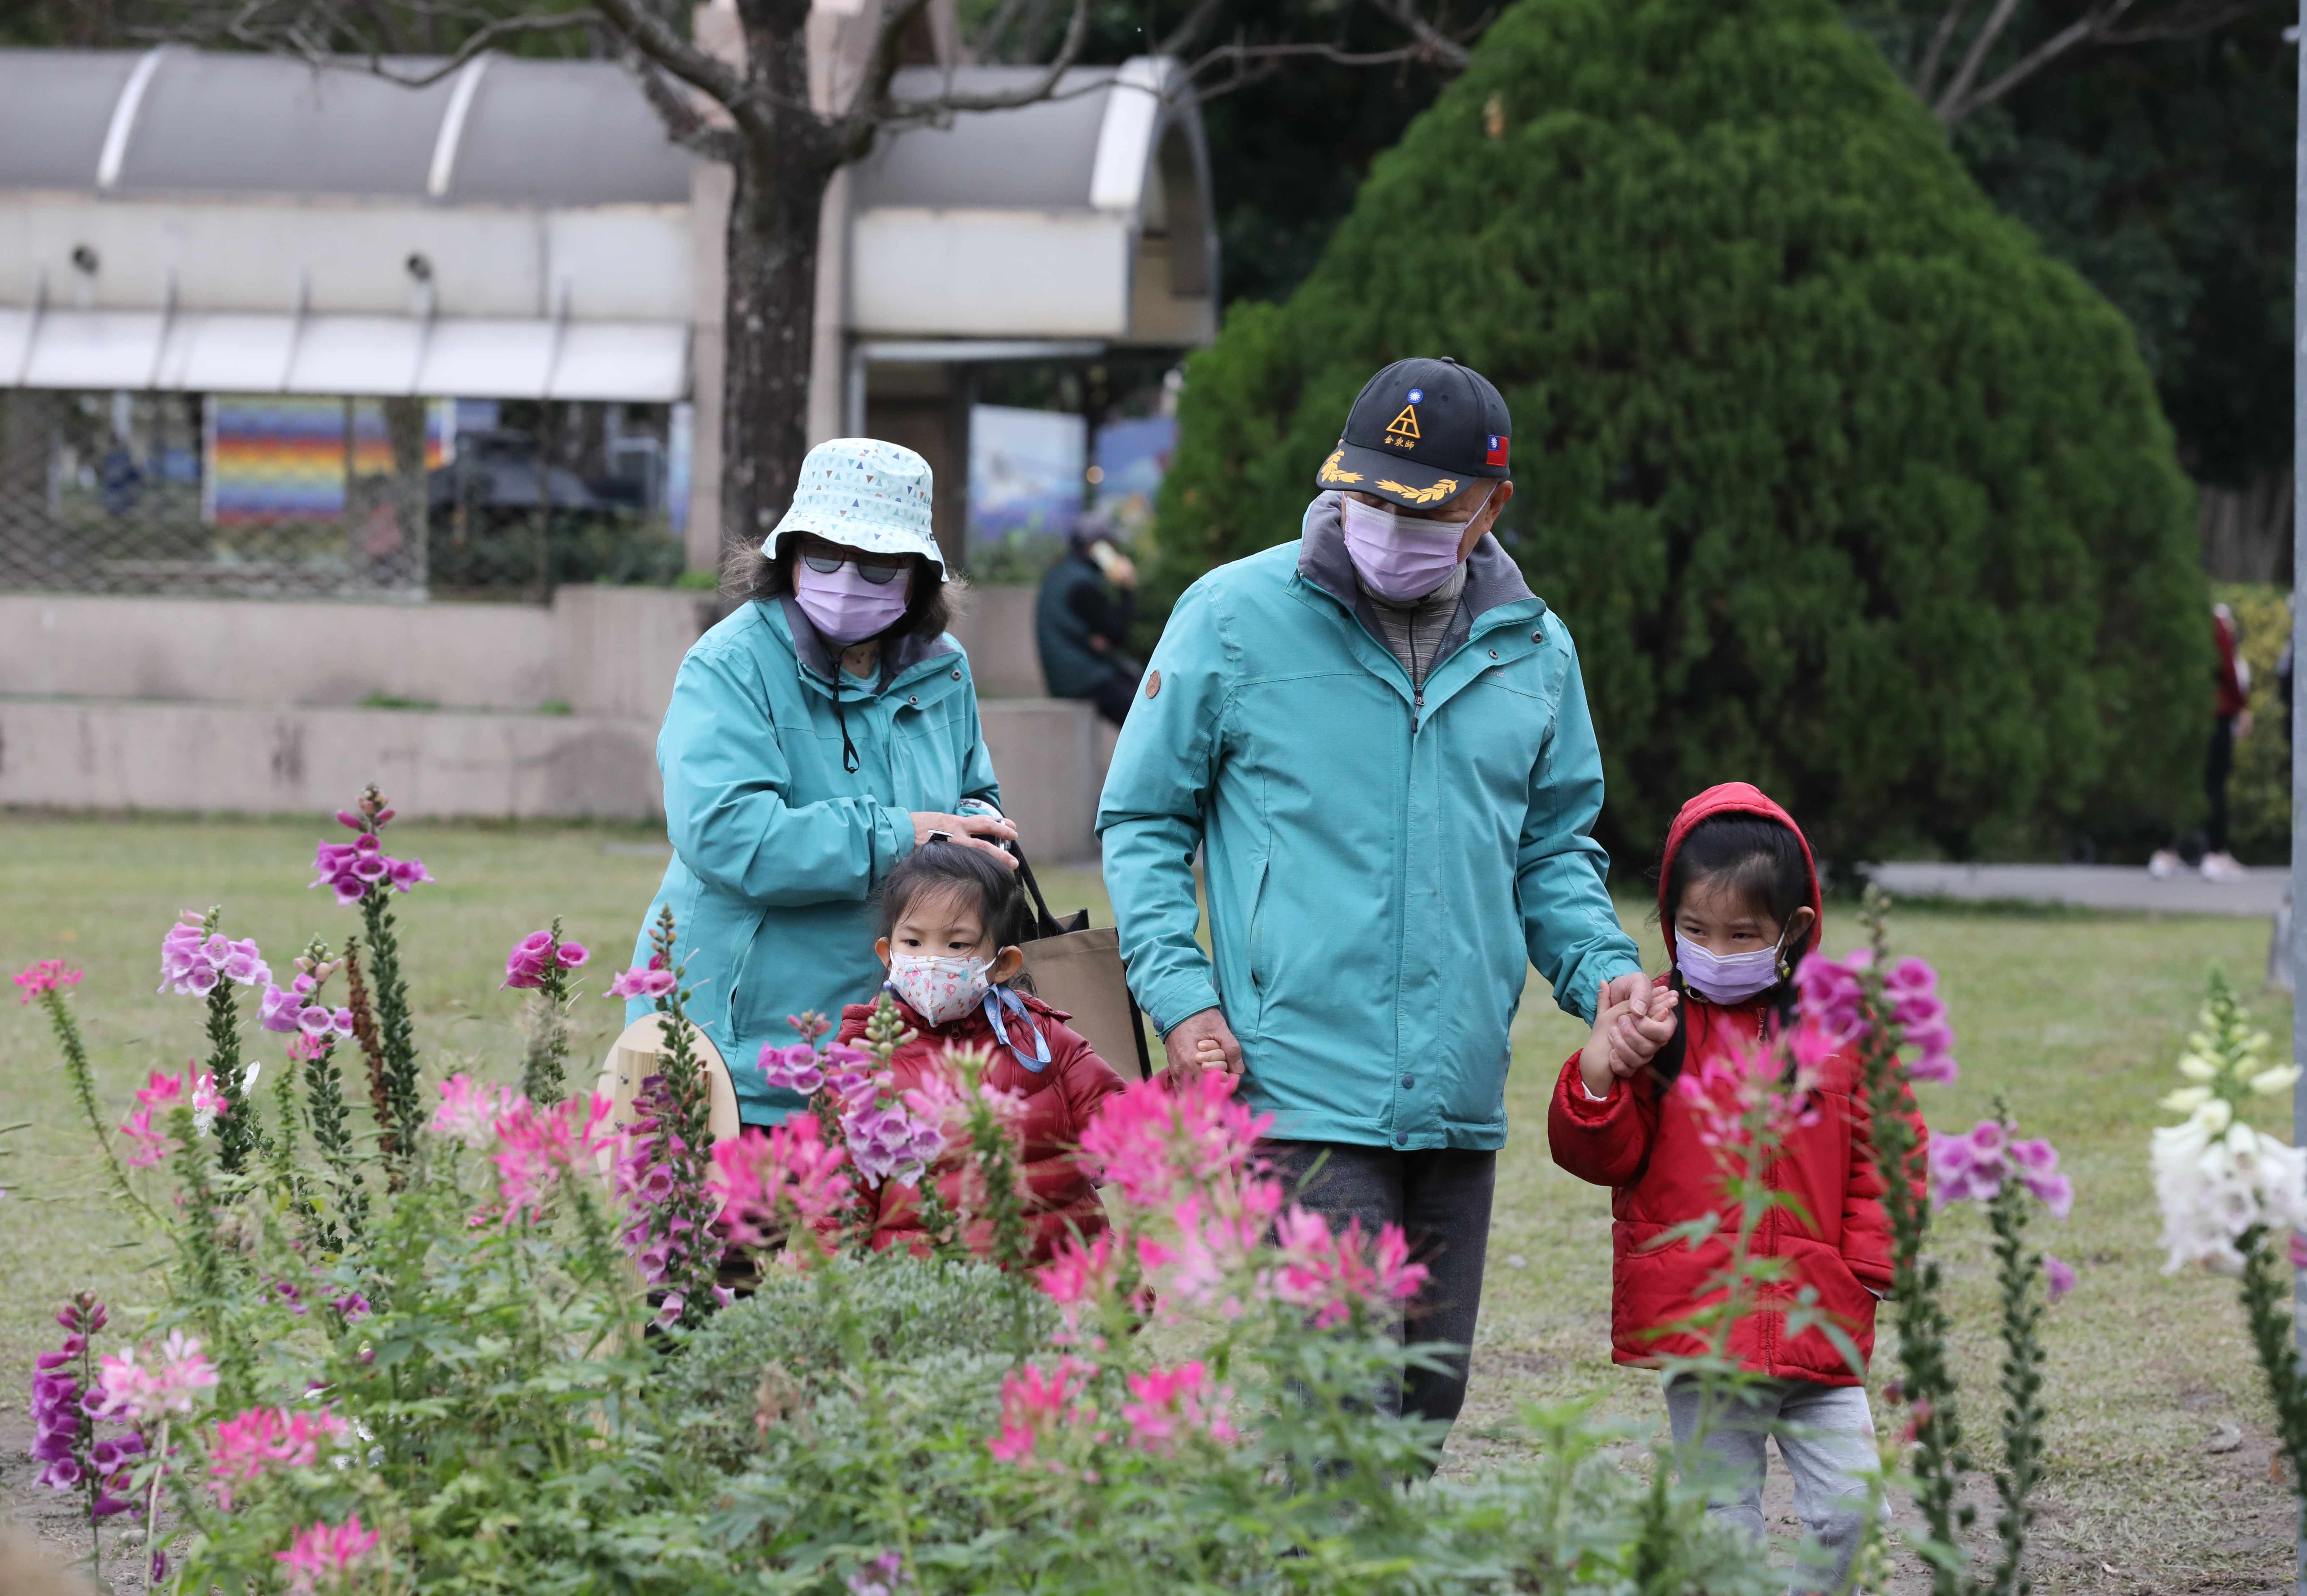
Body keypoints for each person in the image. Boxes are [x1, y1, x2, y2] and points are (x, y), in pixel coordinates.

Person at [1098, 355, 1667, 1438]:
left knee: (1421, 1398)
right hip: (1292, 1073)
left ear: (1491, 505)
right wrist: (1181, 995)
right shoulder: (1231, 616)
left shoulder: (1535, 651)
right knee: (1342, 1397)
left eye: (1424, 509)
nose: (1385, 526)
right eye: (1366, 497)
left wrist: (1602, 976)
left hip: (1453, 1087)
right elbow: (1142, 818)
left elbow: (1551, 849)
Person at [1547, 783, 1925, 1596]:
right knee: (1718, 1529)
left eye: (1743, 934)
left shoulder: (1842, 1027)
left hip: (1818, 1321)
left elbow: (1891, 1149)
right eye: (1694, 932)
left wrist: (1867, 1263)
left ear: (1796, 931)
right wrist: (1600, 1072)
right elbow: (1602, 1154)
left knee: (1854, 1515)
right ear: (1668, 921)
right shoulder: (1657, 1024)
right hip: (1703, 1332)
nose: (1716, 951)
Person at [627, 439, 1021, 1127]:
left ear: (917, 575)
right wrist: (910, 834)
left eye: (875, 564)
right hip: (741, 1051)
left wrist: (977, 830)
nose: (845, 579)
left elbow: (973, 791)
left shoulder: (943, 667)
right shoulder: (731, 665)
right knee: (730, 1234)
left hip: (893, 1045)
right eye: (825, 556)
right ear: (790, 554)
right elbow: (726, 836)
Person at [837, 840, 1129, 1259]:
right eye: (914, 943)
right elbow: (837, 1200)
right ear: (888, 954)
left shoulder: (1044, 1041)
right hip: (931, 1301)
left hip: (1052, 1282)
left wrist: (1184, 1087)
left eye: (958, 945)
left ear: (1005, 964)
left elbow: (1128, 1127)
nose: (932, 961)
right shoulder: (864, 1060)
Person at [2151, 601, 2254, 883]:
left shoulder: (2164, 617)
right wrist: (2241, 705)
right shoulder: (2212, 621)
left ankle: (2164, 853)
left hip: (2175, 712)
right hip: (2212, 711)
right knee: (2215, 783)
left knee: (2175, 782)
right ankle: (2216, 855)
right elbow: (2228, 669)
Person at [1035, 515, 1142, 725]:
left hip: (1075, 673)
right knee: (1144, 716)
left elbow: (1106, 638)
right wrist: (1126, 589)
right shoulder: (1081, 585)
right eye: (1112, 545)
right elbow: (1117, 634)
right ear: (1096, 547)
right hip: (1081, 678)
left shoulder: (1067, 573)